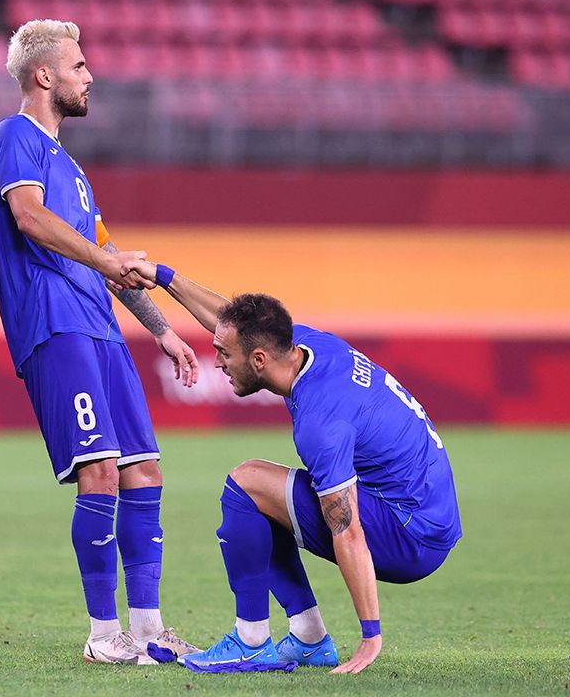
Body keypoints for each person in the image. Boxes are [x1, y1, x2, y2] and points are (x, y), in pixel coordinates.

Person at [0, 19, 203, 666]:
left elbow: (105, 253)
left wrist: (160, 329)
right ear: (44, 75)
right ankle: (102, 632)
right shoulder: (15, 137)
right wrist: (105, 264)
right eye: (78, 65)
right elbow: (28, 217)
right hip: (53, 325)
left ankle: (148, 628)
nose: (90, 76)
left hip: (101, 328)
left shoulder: (71, 169)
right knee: (100, 470)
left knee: (144, 470)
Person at [121, 260, 462, 674]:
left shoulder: (321, 421)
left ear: (259, 360)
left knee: (247, 483)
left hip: (411, 539)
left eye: (224, 355)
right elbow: (234, 325)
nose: (220, 363)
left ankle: (250, 641)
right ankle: (308, 638)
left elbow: (347, 530)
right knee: (265, 498)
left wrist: (371, 636)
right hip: (426, 516)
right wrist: (164, 278)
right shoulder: (308, 346)